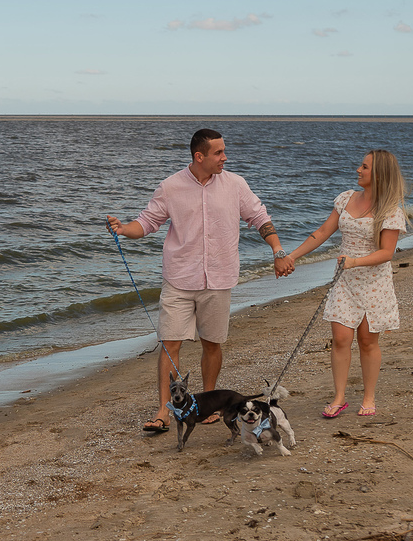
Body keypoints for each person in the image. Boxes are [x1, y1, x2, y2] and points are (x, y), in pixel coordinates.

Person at [106, 129, 293, 432]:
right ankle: (165, 412)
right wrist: (124, 229)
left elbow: (259, 217)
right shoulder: (170, 187)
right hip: (179, 278)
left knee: (212, 344)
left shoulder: (235, 184)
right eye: (219, 153)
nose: (225, 157)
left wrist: (278, 250)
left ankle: (207, 405)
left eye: (224, 151)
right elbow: (148, 222)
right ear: (199, 156)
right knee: (169, 346)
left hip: (219, 278)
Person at [284, 149, 409, 418]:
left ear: (379, 174)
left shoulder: (390, 212)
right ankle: (339, 397)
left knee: (367, 342)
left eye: (364, 167)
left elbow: (387, 253)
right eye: (360, 166)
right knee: (341, 339)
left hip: (374, 283)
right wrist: (291, 256)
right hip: (345, 281)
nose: (358, 170)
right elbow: (321, 233)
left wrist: (354, 261)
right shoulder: (345, 199)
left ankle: (369, 397)